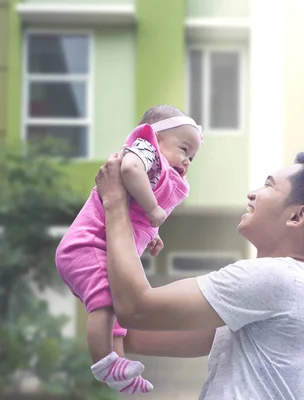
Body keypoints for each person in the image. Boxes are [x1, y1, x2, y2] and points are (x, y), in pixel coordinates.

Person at [94, 151, 304, 399]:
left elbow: (136, 307)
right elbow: (150, 334)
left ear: (297, 216)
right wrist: (109, 331)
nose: (252, 193)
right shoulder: (295, 283)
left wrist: (115, 202)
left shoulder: (276, 276)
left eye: (269, 185)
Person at [55, 105, 203, 394]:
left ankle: (119, 369)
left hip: (101, 248)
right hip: (87, 245)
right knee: (105, 303)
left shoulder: (160, 169)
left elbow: (137, 213)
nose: (187, 160)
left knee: (120, 309)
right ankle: (103, 363)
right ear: (156, 138)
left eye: (192, 157)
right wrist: (153, 209)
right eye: (184, 149)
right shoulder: (143, 152)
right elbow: (130, 170)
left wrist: (152, 233)